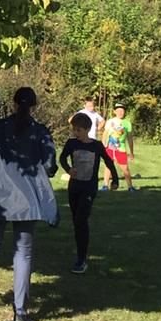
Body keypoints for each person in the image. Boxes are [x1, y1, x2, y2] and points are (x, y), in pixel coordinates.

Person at [0, 87, 58, 321]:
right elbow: (50, 165)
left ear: (13, 103)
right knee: (23, 253)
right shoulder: (40, 132)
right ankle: (20, 312)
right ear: (34, 105)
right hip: (27, 200)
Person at [58, 112, 116, 274]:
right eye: (74, 130)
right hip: (74, 187)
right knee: (76, 221)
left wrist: (115, 179)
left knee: (81, 220)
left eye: (79, 130)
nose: (75, 133)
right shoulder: (71, 143)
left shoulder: (96, 146)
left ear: (87, 130)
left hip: (89, 187)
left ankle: (81, 259)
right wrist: (68, 169)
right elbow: (62, 158)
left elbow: (108, 161)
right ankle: (80, 250)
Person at [103, 105, 137, 191]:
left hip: (121, 148)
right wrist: (103, 145)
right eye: (118, 111)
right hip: (110, 148)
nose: (120, 113)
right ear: (114, 112)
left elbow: (129, 138)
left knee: (125, 168)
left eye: (122, 111)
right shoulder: (110, 121)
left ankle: (130, 187)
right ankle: (105, 185)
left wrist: (131, 152)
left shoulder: (127, 123)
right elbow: (105, 134)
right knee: (108, 167)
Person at [81, 99, 107, 191]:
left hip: (92, 138)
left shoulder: (95, 114)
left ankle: (90, 177)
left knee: (92, 159)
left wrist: (98, 127)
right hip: (83, 138)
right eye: (88, 106)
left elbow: (102, 121)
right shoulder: (81, 113)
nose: (90, 108)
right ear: (84, 106)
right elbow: (71, 120)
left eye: (92, 106)